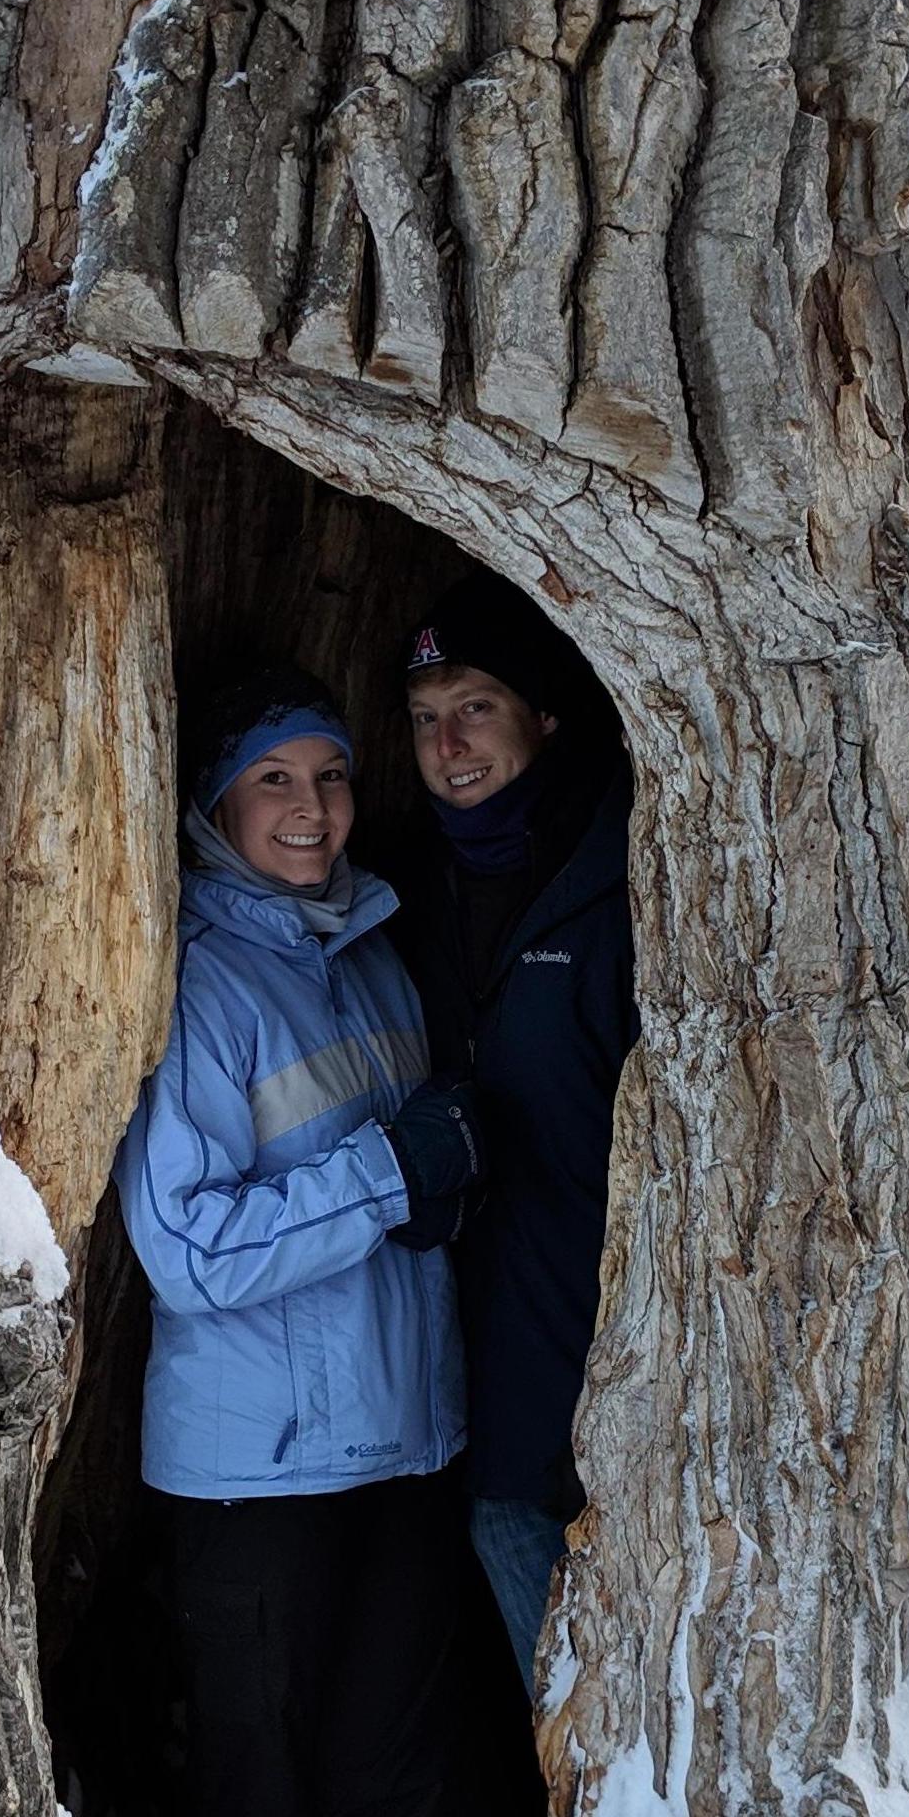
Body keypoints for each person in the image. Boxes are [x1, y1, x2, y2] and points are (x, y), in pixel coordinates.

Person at [113, 667, 507, 1817]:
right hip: (247, 1485)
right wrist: (385, 1176)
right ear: (215, 805)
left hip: (398, 1456)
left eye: (331, 778)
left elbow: (411, 1197)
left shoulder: (377, 950)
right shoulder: (203, 982)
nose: (309, 809)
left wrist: (439, 1186)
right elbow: (186, 1245)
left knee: (384, 1814)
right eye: (271, 779)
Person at [394, 575, 639, 1682]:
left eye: (475, 706)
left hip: (620, 1378)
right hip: (479, 1391)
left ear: (542, 714)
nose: (447, 742)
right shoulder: (404, 893)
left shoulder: (621, 877)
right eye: (421, 716)